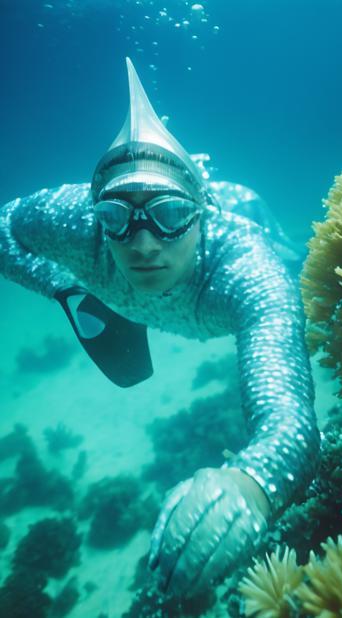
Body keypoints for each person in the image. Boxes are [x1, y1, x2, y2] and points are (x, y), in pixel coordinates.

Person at [0, 58, 320, 598]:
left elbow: (293, 423)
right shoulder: (77, 221)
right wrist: (62, 285)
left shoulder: (250, 270)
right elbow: (5, 226)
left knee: (302, 275)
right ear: (94, 210)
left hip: (253, 228)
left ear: (201, 213)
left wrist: (253, 482)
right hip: (123, 290)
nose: (143, 243)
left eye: (170, 215)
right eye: (116, 218)